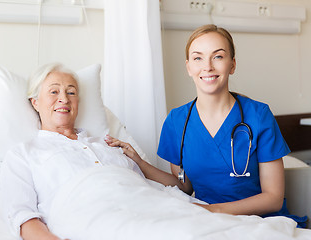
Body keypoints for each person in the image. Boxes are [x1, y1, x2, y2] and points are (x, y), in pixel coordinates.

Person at [107, 24, 307, 227]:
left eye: (218, 56)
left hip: (263, 224)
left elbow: (273, 197)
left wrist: (215, 210)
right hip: (209, 223)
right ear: (188, 67)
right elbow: (184, 186)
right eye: (198, 58)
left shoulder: (259, 116)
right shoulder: (177, 122)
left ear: (232, 64)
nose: (208, 66)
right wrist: (139, 162)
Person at [0, 63, 144, 240]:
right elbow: (23, 218)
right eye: (54, 92)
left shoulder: (108, 144)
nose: (64, 99)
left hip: (145, 214)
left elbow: (146, 188)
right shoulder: (23, 154)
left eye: (71, 92)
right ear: (35, 102)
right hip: (93, 227)